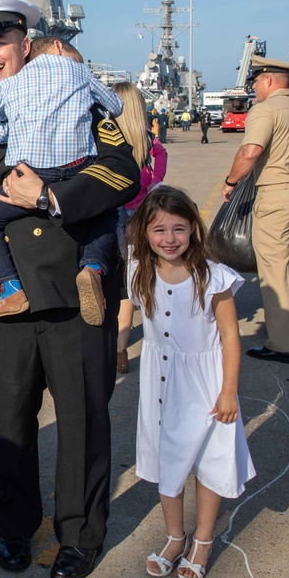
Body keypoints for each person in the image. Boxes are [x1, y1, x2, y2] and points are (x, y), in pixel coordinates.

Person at [0, 0, 140, 578]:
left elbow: (122, 170)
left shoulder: (72, 93)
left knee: (82, 417)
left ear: (25, 45)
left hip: (73, 286)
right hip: (3, 296)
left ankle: (79, 534)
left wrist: (54, 198)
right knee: (10, 417)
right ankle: (14, 528)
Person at [125, 186, 255, 578]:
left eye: (179, 229)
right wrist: (115, 351)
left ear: (194, 229)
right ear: (144, 233)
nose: (169, 239)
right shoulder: (138, 270)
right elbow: (125, 315)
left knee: (209, 462)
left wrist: (229, 390)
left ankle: (202, 540)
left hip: (205, 383)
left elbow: (231, 337)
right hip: (161, 383)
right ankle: (174, 536)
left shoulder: (212, 276)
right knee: (169, 461)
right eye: (159, 230)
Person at [0, 34, 123, 324]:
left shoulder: (8, 87)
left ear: (25, 48)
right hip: (79, 166)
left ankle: (9, 287)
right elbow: (115, 105)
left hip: (63, 297)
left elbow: (123, 175)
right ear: (60, 47)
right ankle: (93, 268)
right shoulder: (80, 73)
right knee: (108, 214)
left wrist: (13, 132)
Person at [222, 56, 289, 364]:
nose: (253, 87)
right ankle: (286, 322)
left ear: (268, 81)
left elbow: (251, 151)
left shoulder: (265, 111)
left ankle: (282, 344)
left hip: (278, 197)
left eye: (255, 82)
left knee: (274, 269)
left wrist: (230, 181)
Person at [111, 81, 167, 374]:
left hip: (116, 213)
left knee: (121, 285)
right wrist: (155, 181)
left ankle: (119, 352)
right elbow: (162, 155)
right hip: (143, 213)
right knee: (144, 278)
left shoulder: (108, 136)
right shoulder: (146, 138)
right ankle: (156, 343)